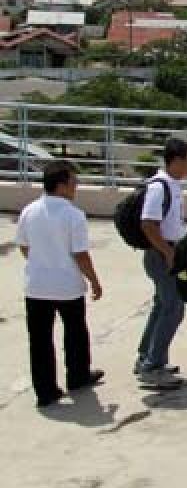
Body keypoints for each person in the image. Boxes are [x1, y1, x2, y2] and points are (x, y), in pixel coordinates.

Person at [15, 160, 104, 407]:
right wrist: (94, 281)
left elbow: (23, 246)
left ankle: (45, 390)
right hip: (67, 286)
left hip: (36, 286)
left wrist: (40, 262)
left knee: (40, 339)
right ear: (62, 185)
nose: (76, 187)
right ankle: (78, 376)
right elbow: (81, 254)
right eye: (74, 182)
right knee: (75, 333)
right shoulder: (73, 215)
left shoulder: (29, 211)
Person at [135, 137, 187, 389]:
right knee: (173, 308)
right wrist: (167, 253)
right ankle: (152, 366)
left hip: (166, 253)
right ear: (177, 160)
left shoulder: (172, 185)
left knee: (162, 306)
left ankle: (148, 356)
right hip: (161, 255)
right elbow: (148, 223)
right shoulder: (160, 187)